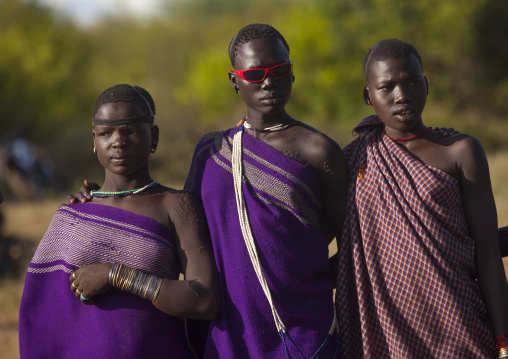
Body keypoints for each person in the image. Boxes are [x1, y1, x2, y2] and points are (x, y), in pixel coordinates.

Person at [177, 23, 348, 358]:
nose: (269, 82)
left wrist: (303, 281)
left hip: (304, 331)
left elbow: (352, 246)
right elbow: (181, 229)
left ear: (293, 74)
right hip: (230, 332)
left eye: (279, 70)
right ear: (234, 81)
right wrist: (96, 204)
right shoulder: (212, 151)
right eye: (255, 74)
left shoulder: (319, 150)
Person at [335, 39, 508, 358]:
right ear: (368, 97)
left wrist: (503, 339)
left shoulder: (460, 151)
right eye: (387, 87)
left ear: (426, 85)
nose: (402, 96)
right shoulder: (352, 161)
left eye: (413, 82)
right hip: (383, 336)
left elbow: (487, 253)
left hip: (459, 328)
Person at [19, 84, 219, 358]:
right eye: (106, 133)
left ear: (154, 137)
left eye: (132, 131)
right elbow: (44, 308)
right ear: (94, 139)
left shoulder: (175, 206)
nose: (118, 141)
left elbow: (204, 300)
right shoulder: (76, 212)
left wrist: (116, 275)